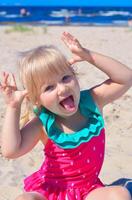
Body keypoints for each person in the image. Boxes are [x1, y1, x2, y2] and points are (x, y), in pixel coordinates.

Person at [0, 32, 132, 200]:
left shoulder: (92, 102)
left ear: (75, 75)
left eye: (65, 78)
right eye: (49, 88)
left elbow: (126, 78)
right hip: (49, 191)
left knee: (119, 194)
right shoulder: (43, 123)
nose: (62, 89)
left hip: (88, 190)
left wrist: (88, 55)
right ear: (37, 100)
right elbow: (11, 151)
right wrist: (13, 106)